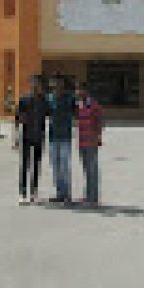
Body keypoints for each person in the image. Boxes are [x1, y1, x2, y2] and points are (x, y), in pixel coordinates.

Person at [14, 76, 49, 205]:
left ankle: (34, 192)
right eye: (33, 83)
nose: (35, 86)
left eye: (38, 84)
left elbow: (49, 115)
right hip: (26, 136)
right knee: (24, 165)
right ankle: (22, 194)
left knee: (36, 165)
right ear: (30, 84)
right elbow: (17, 119)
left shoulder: (43, 100)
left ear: (40, 86)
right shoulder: (23, 100)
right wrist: (16, 138)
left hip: (39, 137)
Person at [47, 74, 77, 204]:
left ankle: (67, 194)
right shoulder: (49, 98)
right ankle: (59, 193)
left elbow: (77, 113)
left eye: (59, 83)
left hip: (65, 137)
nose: (57, 86)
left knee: (64, 166)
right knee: (55, 165)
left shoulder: (70, 98)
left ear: (63, 85)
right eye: (54, 83)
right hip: (53, 137)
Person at [76, 83, 103, 206]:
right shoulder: (79, 105)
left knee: (92, 170)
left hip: (91, 142)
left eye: (80, 90)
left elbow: (99, 122)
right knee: (86, 169)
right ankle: (88, 195)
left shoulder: (94, 105)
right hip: (82, 141)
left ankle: (93, 198)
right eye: (77, 90)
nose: (78, 92)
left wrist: (98, 137)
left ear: (86, 91)